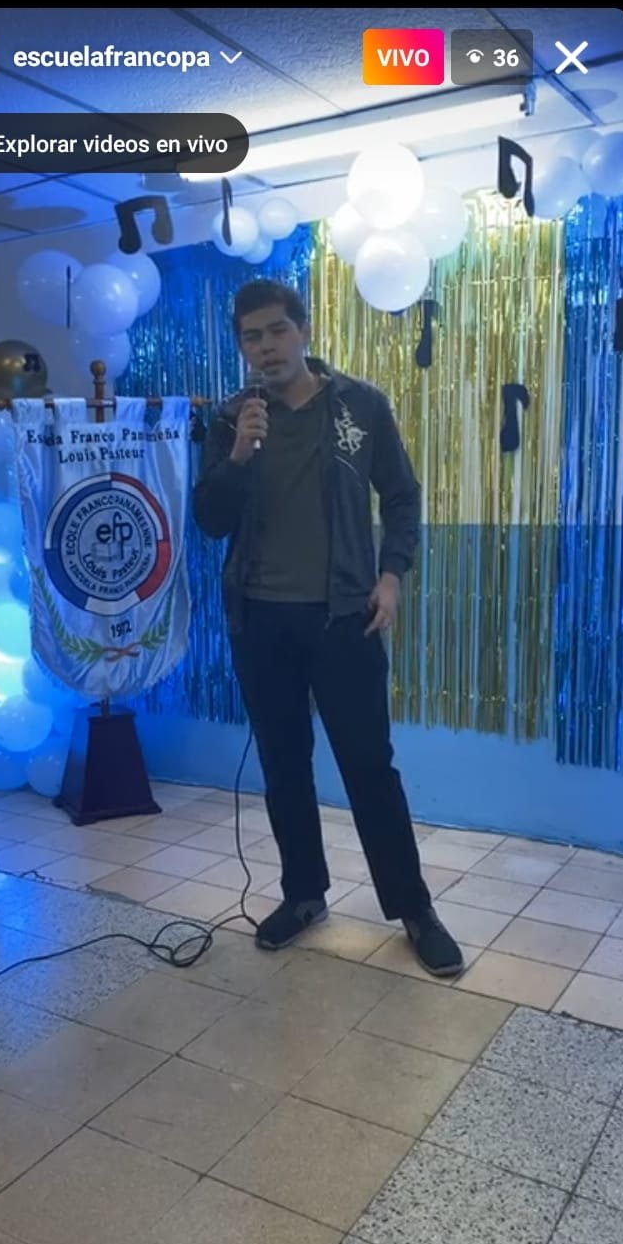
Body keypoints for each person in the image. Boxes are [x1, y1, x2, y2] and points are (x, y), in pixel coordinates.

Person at [192, 278, 463, 979]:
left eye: (277, 330)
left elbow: (401, 497)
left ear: (304, 331)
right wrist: (239, 455)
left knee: (370, 768)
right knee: (284, 766)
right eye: (251, 337)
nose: (265, 347)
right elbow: (210, 520)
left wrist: (391, 576)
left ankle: (414, 909)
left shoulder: (360, 406)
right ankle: (304, 894)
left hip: (346, 619)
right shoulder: (231, 420)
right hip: (261, 622)